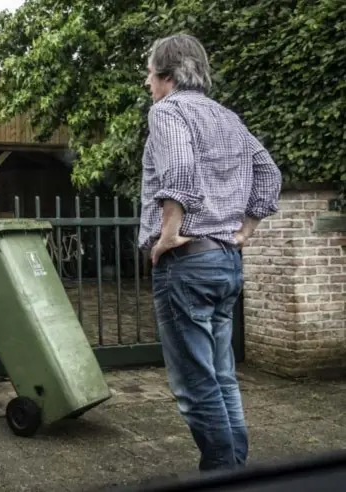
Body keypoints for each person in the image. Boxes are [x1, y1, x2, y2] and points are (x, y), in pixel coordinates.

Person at [138, 33, 282, 471]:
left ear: (166, 75)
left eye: (149, 73)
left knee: (195, 386)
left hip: (187, 263)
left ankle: (222, 474)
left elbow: (179, 170)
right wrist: (245, 231)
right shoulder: (227, 117)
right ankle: (235, 468)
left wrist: (168, 234)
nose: (147, 83)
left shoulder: (167, 111)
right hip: (225, 261)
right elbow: (269, 172)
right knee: (221, 378)